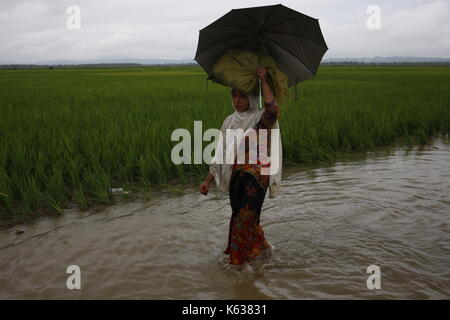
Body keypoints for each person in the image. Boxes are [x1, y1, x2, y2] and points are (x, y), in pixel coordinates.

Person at [199, 67, 283, 268]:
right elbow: (220, 153)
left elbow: (273, 110)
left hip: (255, 178)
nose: (237, 100)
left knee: (242, 221)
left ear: (252, 97)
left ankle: (239, 267)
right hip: (236, 177)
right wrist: (208, 181)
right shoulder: (229, 121)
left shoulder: (260, 118)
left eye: (243, 96)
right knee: (241, 217)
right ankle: (263, 247)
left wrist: (263, 81)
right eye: (234, 95)